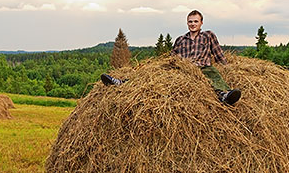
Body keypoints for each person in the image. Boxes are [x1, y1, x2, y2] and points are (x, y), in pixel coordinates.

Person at [101, 10, 241, 105]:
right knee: (151, 73)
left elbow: (218, 53)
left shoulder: (208, 35)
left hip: (202, 67)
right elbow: (172, 57)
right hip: (182, 69)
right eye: (190, 22)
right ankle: (123, 83)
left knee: (213, 75)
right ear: (187, 23)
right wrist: (163, 66)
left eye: (195, 21)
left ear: (201, 23)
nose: (192, 24)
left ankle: (224, 95)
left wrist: (229, 68)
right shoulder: (180, 39)